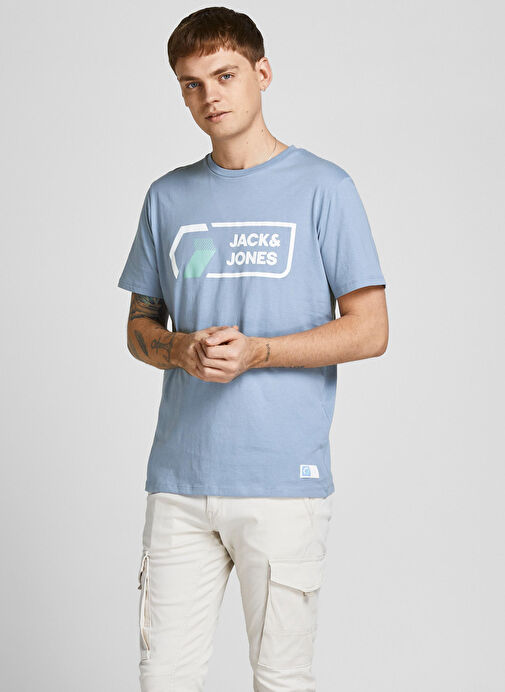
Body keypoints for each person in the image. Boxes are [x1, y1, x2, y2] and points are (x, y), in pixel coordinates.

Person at [117, 6, 389, 691]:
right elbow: (140, 325)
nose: (209, 96)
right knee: (163, 679)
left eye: (225, 75)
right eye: (190, 84)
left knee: (280, 681)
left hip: (281, 483)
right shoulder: (167, 197)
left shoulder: (324, 188)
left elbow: (369, 329)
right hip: (179, 483)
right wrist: (179, 349)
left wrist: (259, 352)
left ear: (262, 73)